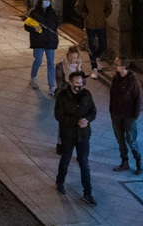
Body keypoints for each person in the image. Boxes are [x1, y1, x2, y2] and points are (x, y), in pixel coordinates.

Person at [54, 70, 98, 206]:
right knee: (65, 159)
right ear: (71, 83)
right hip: (68, 135)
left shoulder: (86, 95)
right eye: (77, 83)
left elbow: (93, 111)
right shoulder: (62, 96)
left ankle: (88, 193)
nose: (80, 85)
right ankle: (60, 182)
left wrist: (87, 120)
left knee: (84, 163)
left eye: (81, 83)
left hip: (83, 135)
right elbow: (59, 116)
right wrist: (76, 122)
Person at [109, 56, 143, 174]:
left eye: (117, 65)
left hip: (129, 116)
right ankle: (124, 162)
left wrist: (135, 116)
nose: (115, 67)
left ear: (123, 67)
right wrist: (112, 109)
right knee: (120, 140)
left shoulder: (133, 81)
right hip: (116, 114)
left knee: (131, 141)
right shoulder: (116, 78)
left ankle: (139, 163)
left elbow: (138, 99)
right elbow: (112, 94)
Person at [75, 0, 112, 73]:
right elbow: (77, 7)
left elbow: (109, 7)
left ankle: (94, 57)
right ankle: (94, 67)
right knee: (91, 45)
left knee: (103, 44)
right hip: (90, 24)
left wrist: (104, 15)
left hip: (101, 24)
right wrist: (85, 14)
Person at [26, 0, 61, 92]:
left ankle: (52, 85)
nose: (47, 1)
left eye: (49, 0)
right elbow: (27, 26)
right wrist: (35, 29)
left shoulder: (52, 12)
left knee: (51, 63)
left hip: (50, 40)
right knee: (38, 60)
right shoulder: (34, 13)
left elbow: (56, 24)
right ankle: (33, 77)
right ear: (40, 1)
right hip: (39, 41)